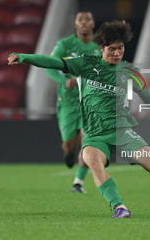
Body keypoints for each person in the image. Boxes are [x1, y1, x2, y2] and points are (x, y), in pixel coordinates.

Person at [7, 20, 150, 218]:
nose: (117, 53)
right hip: (95, 134)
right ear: (101, 48)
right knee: (93, 162)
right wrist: (24, 57)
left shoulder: (129, 71)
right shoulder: (86, 64)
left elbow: (147, 95)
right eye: (112, 49)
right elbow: (54, 62)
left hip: (122, 131)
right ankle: (119, 207)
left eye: (120, 48)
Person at [45, 11, 101, 193]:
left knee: (87, 142)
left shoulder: (100, 46)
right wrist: (64, 81)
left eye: (87, 20)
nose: (84, 23)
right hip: (68, 102)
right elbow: (50, 66)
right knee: (69, 144)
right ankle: (68, 154)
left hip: (90, 102)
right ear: (75, 25)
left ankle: (78, 183)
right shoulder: (65, 45)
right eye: (80, 20)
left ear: (93, 24)